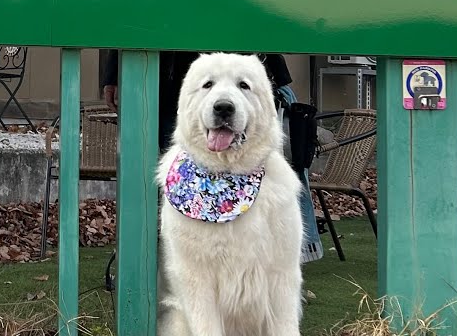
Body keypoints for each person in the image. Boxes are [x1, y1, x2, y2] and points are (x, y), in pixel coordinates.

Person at [98, 50, 323, 264]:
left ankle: (277, 266)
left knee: (269, 175)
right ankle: (143, 267)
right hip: (165, 83)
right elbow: (132, 11)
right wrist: (114, 73)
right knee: (171, 185)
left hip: (243, 72)